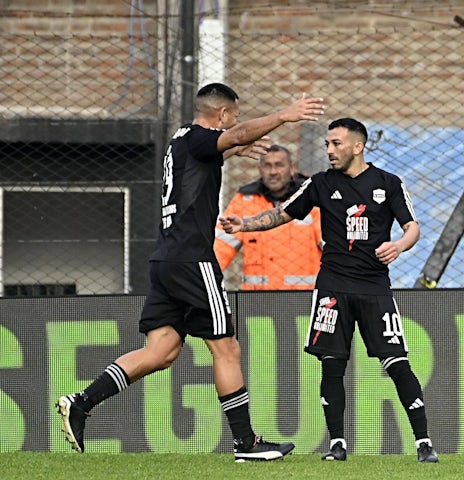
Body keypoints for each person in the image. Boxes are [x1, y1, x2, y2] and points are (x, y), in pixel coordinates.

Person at [55, 83, 325, 461]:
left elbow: (202, 167)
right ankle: (247, 443)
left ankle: (82, 403)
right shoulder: (202, 135)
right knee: (226, 347)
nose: (235, 123)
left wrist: (230, 150)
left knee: (161, 351)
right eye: (233, 117)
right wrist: (283, 115)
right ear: (222, 114)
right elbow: (233, 136)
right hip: (192, 259)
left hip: (166, 259)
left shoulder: (180, 140)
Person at [220, 117, 438, 463]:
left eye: (336, 143)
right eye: (327, 144)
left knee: (397, 362)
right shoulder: (321, 184)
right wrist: (244, 224)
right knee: (332, 365)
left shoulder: (389, 183)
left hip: (374, 287)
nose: (329, 150)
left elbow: (412, 226)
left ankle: (423, 443)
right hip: (332, 287)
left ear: (357, 146)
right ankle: (337, 444)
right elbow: (283, 213)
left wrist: (399, 246)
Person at [215, 144, 322, 290]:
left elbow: (329, 246)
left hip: (304, 298)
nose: (273, 172)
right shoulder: (245, 199)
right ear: (260, 169)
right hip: (257, 300)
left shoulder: (311, 200)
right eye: (267, 166)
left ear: (292, 168)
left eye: (279, 165)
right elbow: (220, 248)